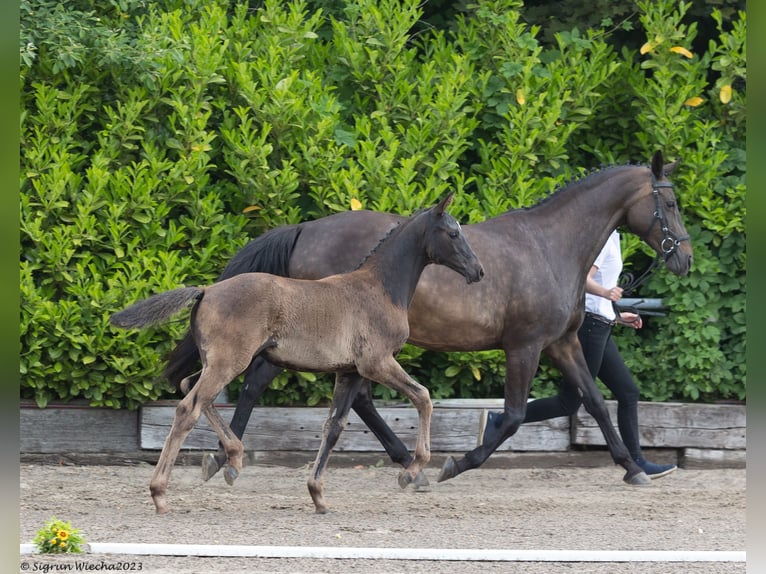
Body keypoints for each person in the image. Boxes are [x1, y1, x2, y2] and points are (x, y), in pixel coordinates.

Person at [483, 230, 677, 478]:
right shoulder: (603, 238)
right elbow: (582, 279)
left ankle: (637, 463)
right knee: (569, 401)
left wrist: (617, 315)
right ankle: (499, 421)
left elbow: (602, 287)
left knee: (628, 392)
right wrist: (606, 295)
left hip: (603, 325)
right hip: (590, 328)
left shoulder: (614, 236)